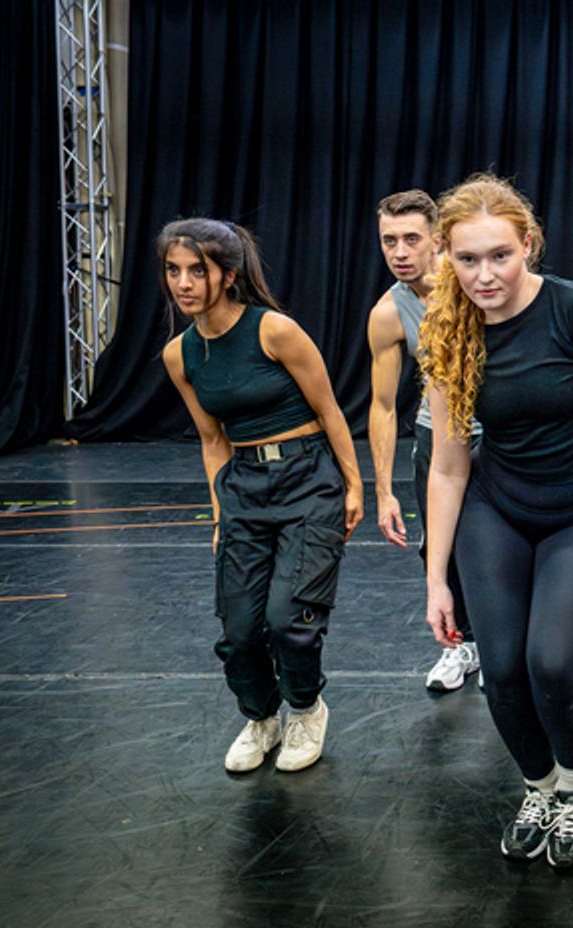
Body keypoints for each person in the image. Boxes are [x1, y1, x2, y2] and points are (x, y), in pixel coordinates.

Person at [418, 174, 573, 870]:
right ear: (446, 258)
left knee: (552, 662)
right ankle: (540, 788)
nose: (484, 275)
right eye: (466, 259)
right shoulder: (448, 329)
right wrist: (436, 579)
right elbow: (450, 466)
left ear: (527, 245)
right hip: (498, 508)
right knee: (504, 672)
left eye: (498, 256)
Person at [159, 218, 364, 774]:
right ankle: (261, 716)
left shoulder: (274, 331)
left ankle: (304, 708)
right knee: (240, 630)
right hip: (244, 488)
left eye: (196, 271)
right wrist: (222, 515)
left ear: (226, 275)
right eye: (174, 271)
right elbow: (211, 439)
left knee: (288, 620)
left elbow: (329, 411)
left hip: (308, 479)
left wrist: (353, 484)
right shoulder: (180, 355)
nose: (183, 283)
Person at [367, 189, 480, 692]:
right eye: (389, 240)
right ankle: (460, 646)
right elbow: (384, 406)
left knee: (501, 548)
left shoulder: (477, 283)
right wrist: (383, 490)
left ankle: (502, 648)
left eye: (411, 239)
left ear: (437, 240)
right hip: (437, 441)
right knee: (440, 550)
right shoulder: (388, 313)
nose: (399, 251)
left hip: (499, 440)